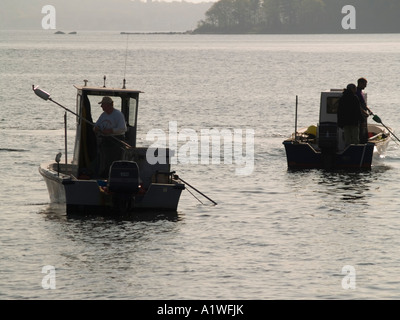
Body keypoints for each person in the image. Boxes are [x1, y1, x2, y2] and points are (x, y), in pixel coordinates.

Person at [93, 96, 127, 177]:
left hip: (116, 141)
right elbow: (95, 126)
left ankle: (113, 176)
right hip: (105, 141)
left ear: (109, 105)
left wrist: (111, 131)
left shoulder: (118, 114)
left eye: (103, 104)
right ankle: (103, 175)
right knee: (104, 160)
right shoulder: (103, 115)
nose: (101, 107)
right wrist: (96, 128)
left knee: (113, 160)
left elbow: (123, 128)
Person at [356, 77, 370, 143]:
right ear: (360, 83)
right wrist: (364, 112)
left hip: (363, 114)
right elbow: (357, 105)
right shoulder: (357, 92)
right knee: (361, 130)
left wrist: (368, 109)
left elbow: (363, 103)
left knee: (364, 129)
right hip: (360, 115)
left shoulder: (361, 92)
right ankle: (362, 142)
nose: (365, 86)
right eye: (364, 84)